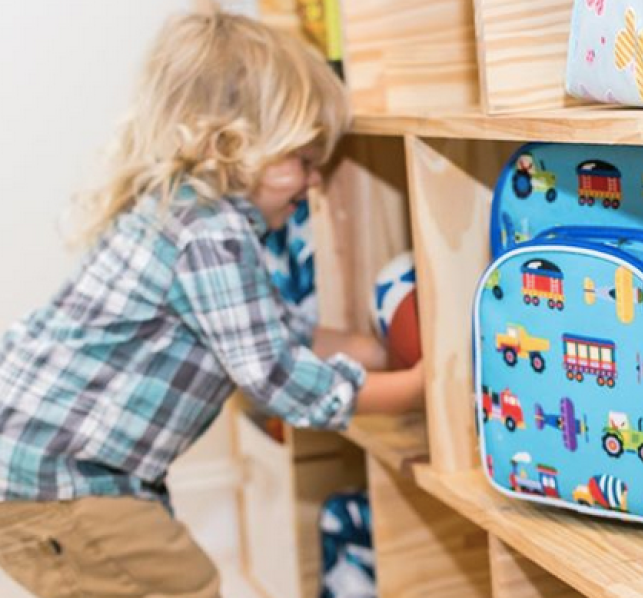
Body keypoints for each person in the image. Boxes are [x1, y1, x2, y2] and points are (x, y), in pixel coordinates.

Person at [0, 8, 423, 598]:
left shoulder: (185, 210)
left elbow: (270, 337)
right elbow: (278, 379)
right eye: (303, 161)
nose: (313, 182)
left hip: (45, 468)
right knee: (182, 584)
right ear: (234, 145)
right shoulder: (211, 232)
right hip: (61, 481)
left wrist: (374, 350)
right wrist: (421, 387)